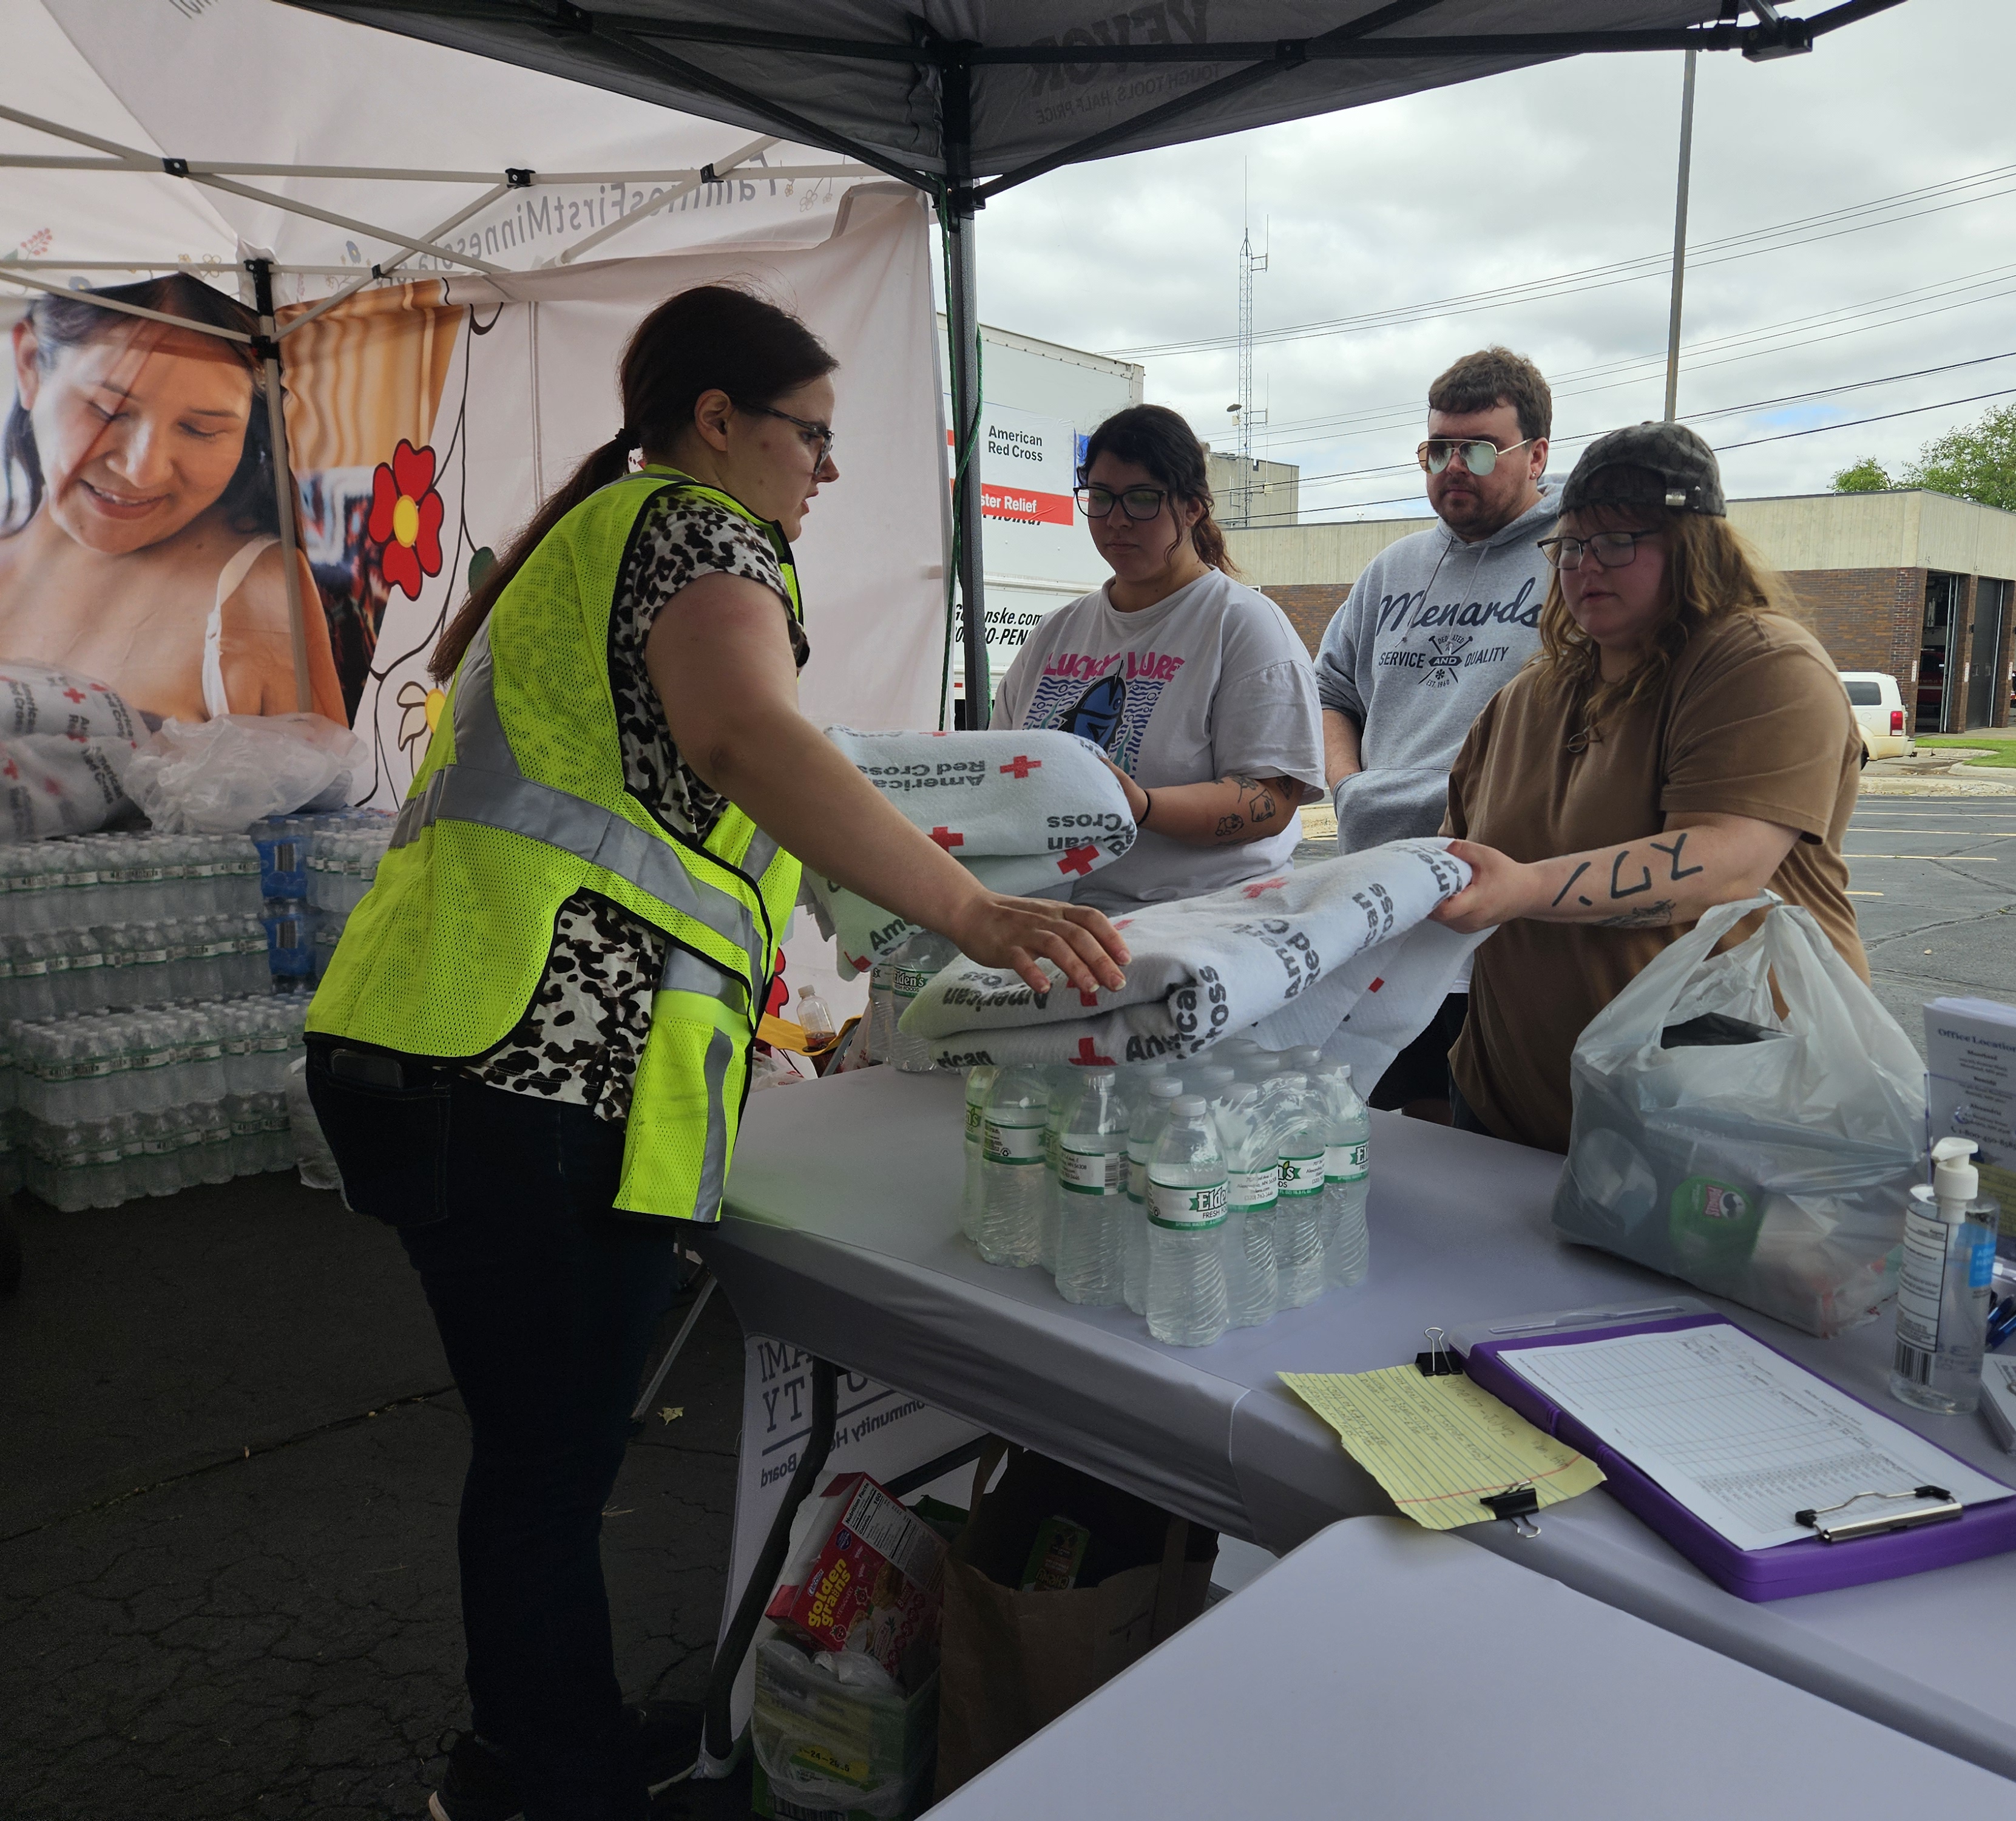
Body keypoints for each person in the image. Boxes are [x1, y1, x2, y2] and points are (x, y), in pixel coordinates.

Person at [302, 287, 1128, 1821]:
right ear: (717, 421)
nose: (826, 468)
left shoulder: (597, 535)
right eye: (811, 435)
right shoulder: (696, 530)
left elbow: (676, 796)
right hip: (531, 1070)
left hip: (437, 1048)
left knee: (534, 1456)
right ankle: (540, 1779)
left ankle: (541, 1737)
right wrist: (968, 908)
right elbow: (748, 738)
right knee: (549, 1467)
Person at [1429, 421, 1867, 1152]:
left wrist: (1524, 888)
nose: (1584, 567)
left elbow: (1725, 866)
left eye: (1616, 542)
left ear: (1693, 546)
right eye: (1571, 546)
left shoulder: (1762, 664)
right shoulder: (1525, 697)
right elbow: (1456, 855)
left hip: (1708, 1135)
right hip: (1507, 1112)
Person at [1316, 347, 1559, 1121]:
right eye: (1438, 449)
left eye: (1479, 449)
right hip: (1379, 902)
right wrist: (1347, 785)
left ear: (1536, 456)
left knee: (1485, 1144)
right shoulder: (1392, 570)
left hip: (1500, 920)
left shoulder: (1575, 561)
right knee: (1388, 1130)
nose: (1454, 467)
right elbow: (1329, 692)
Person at [993, 404, 1325, 913]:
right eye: (1100, 497)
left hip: (1194, 921)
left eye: (1143, 499)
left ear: (1192, 508)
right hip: (1054, 920)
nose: (1116, 519)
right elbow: (999, 770)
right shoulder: (1055, 634)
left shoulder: (1243, 627)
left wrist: (1142, 806)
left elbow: (1272, 800)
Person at [0, 273, 343, 723]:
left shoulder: (257, 598)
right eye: (109, 412)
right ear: (29, 364)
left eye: (201, 430)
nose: (143, 470)